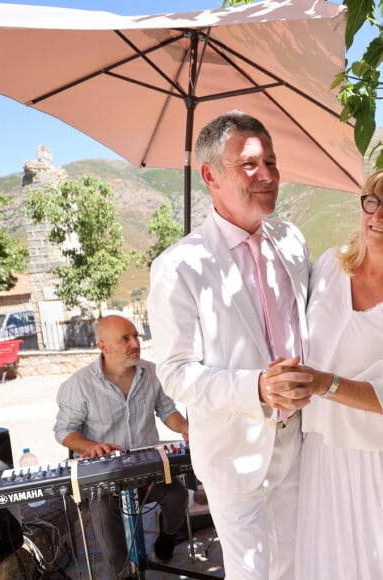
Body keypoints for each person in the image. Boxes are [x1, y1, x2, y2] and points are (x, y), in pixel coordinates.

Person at [147, 110, 314, 580]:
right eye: (249, 165)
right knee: (255, 573)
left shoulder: (293, 241)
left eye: (272, 162)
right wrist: (256, 388)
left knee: (301, 566)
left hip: (302, 442)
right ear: (210, 176)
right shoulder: (179, 267)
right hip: (233, 454)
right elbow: (177, 372)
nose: (268, 176)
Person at [264, 169, 383, 580]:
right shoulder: (331, 265)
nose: (379, 216)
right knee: (326, 564)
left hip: (375, 460)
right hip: (319, 452)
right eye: (373, 202)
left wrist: (322, 383)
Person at [53, 314, 190, 578]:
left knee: (178, 496)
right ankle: (123, 573)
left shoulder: (151, 373)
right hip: (106, 475)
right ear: (102, 346)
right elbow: (63, 431)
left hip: (148, 468)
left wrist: (184, 427)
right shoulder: (78, 385)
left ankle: (167, 535)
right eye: (125, 339)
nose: (135, 343)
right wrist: (91, 446)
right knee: (103, 514)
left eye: (136, 336)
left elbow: (166, 411)